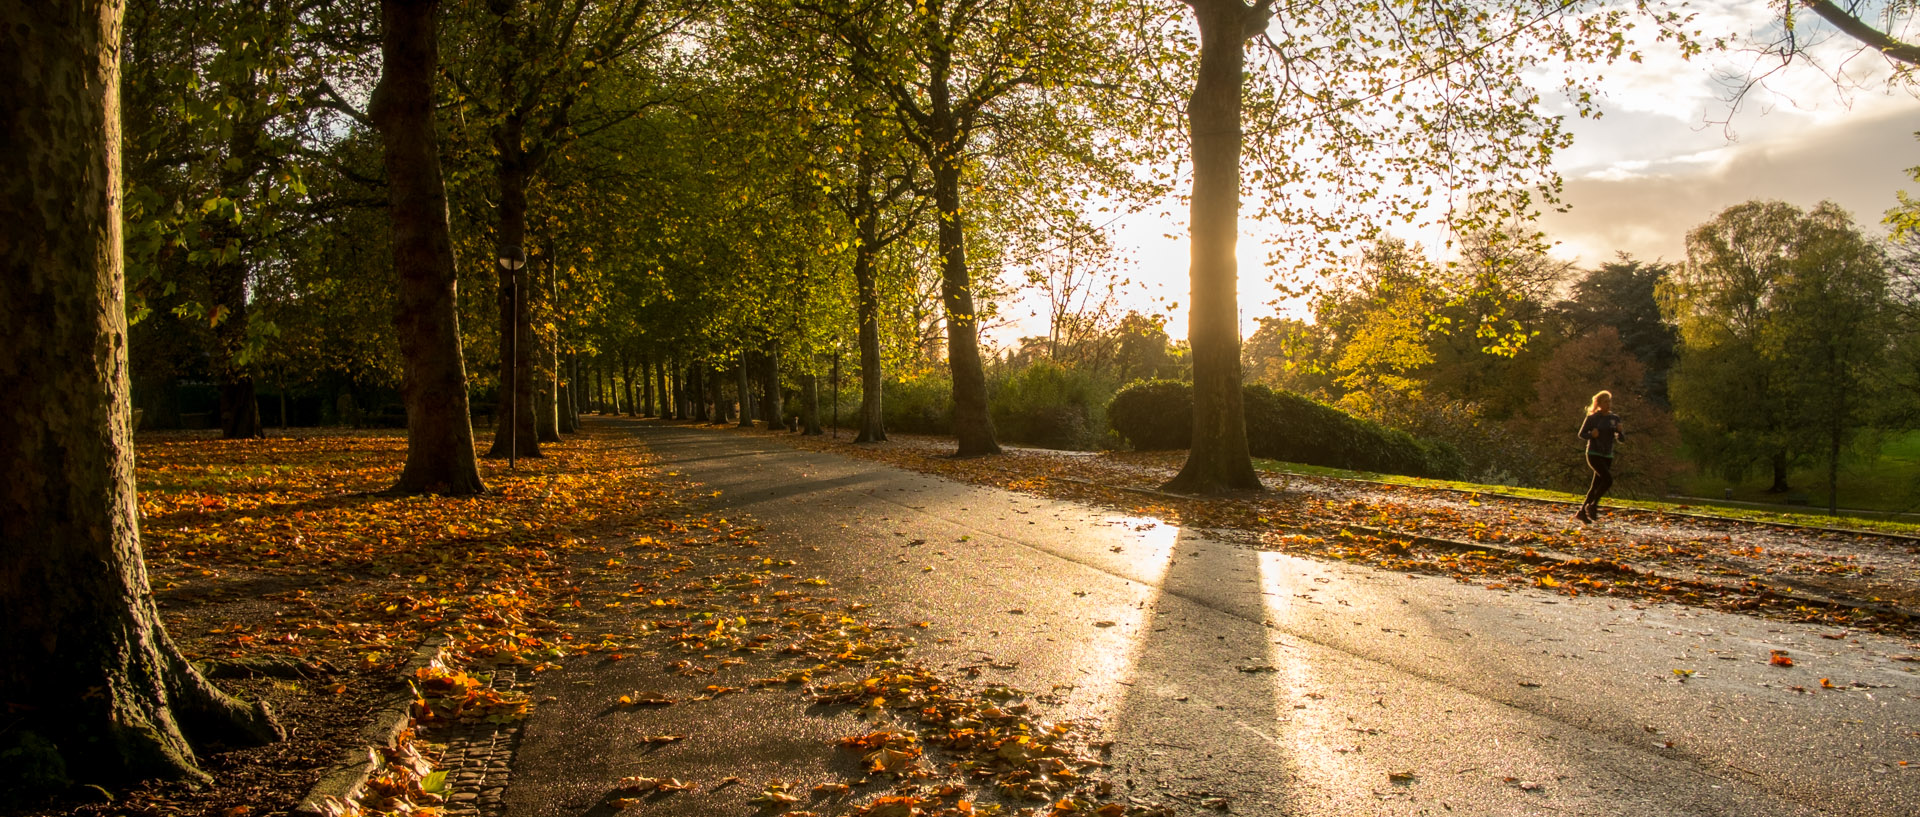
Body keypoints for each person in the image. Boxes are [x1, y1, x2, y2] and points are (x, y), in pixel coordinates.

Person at [1575, 390, 1624, 522]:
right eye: (1605, 402)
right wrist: (1592, 435)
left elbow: (1621, 439)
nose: (1608, 404)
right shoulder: (1592, 418)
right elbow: (1581, 434)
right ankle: (1593, 506)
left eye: (1609, 401)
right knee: (1608, 480)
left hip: (1607, 455)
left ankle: (1582, 511)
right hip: (1593, 453)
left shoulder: (1614, 418)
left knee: (1595, 485)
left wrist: (1619, 432)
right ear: (1599, 403)